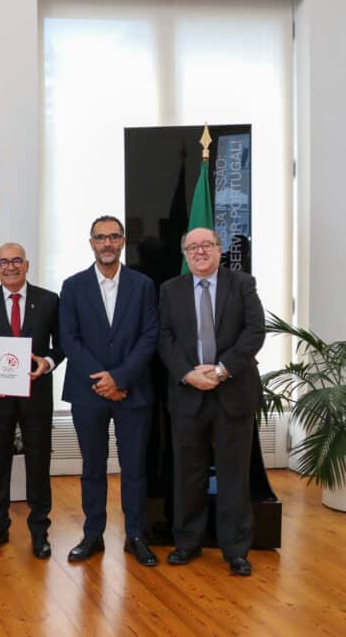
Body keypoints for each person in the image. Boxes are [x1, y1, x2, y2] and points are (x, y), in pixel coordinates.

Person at [158, 228, 265, 577]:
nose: (199, 251)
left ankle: (236, 551)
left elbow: (255, 332)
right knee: (188, 474)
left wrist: (220, 371)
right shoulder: (170, 290)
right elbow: (164, 337)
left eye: (206, 245)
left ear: (219, 250)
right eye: (192, 247)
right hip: (188, 393)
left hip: (232, 391)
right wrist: (188, 374)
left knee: (234, 475)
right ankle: (187, 542)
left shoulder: (242, 284)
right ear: (185, 254)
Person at [58, 215, 160, 565]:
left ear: (123, 241)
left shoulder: (143, 285)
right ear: (91, 243)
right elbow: (69, 339)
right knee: (92, 468)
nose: (107, 243)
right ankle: (93, 535)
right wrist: (102, 381)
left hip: (133, 391)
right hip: (87, 393)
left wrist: (120, 378)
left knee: (134, 469)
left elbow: (150, 336)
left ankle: (135, 535)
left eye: (113, 237)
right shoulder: (73, 286)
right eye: (100, 238)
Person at [0, 242, 64, 558]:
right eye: (4, 262)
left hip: (36, 394)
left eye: (16, 261)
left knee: (39, 463)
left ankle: (40, 532)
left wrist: (47, 363)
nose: (10, 267)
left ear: (27, 264)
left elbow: (61, 344)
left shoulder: (48, 300)